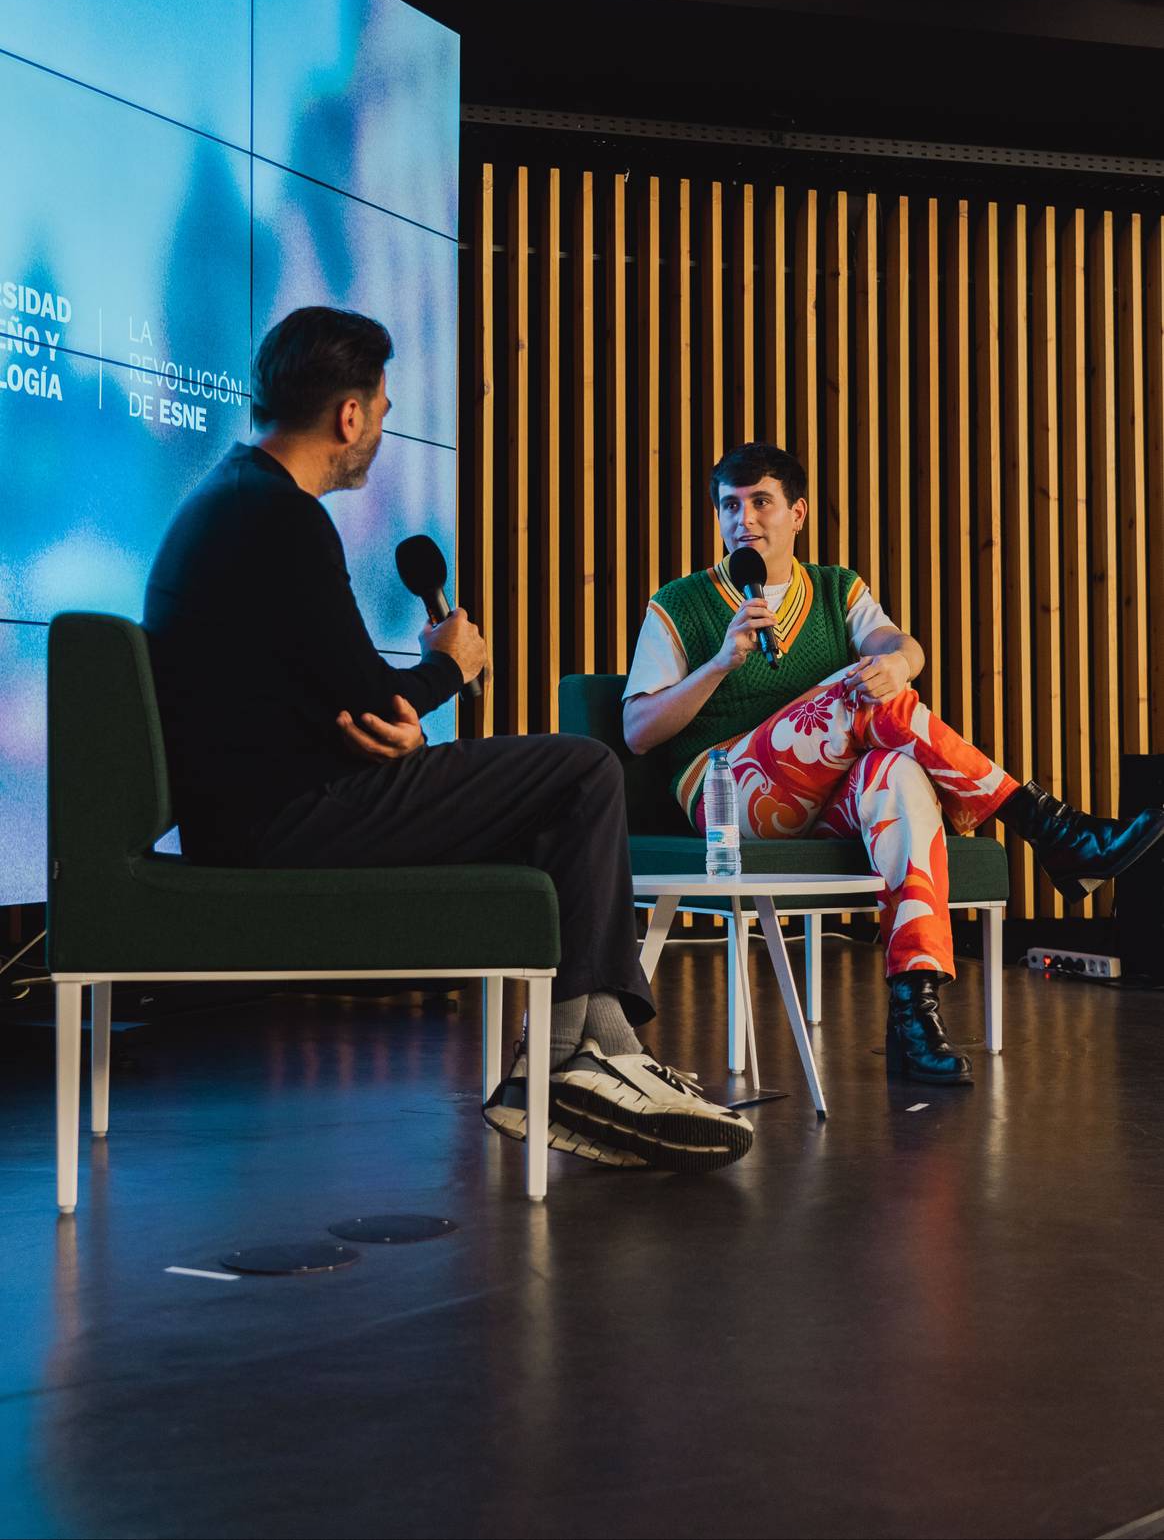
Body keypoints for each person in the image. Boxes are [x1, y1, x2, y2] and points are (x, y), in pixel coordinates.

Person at [144, 306, 752, 1172]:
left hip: (270, 804)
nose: (383, 429)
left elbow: (338, 704)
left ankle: (593, 1051)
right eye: (384, 411)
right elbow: (374, 697)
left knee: (557, 801)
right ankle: (582, 1061)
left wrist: (382, 720)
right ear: (349, 416)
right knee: (582, 770)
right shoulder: (278, 517)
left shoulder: (235, 497)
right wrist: (451, 667)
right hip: (283, 824)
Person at [623, 441, 1164, 1083]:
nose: (745, 520)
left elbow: (897, 646)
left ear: (796, 514)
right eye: (730, 506)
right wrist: (720, 662)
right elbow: (636, 731)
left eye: (761, 502)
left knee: (899, 773)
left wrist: (900, 663)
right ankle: (1053, 830)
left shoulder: (834, 588)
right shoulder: (680, 602)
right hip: (728, 800)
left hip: (821, 803)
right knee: (861, 694)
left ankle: (915, 1011)